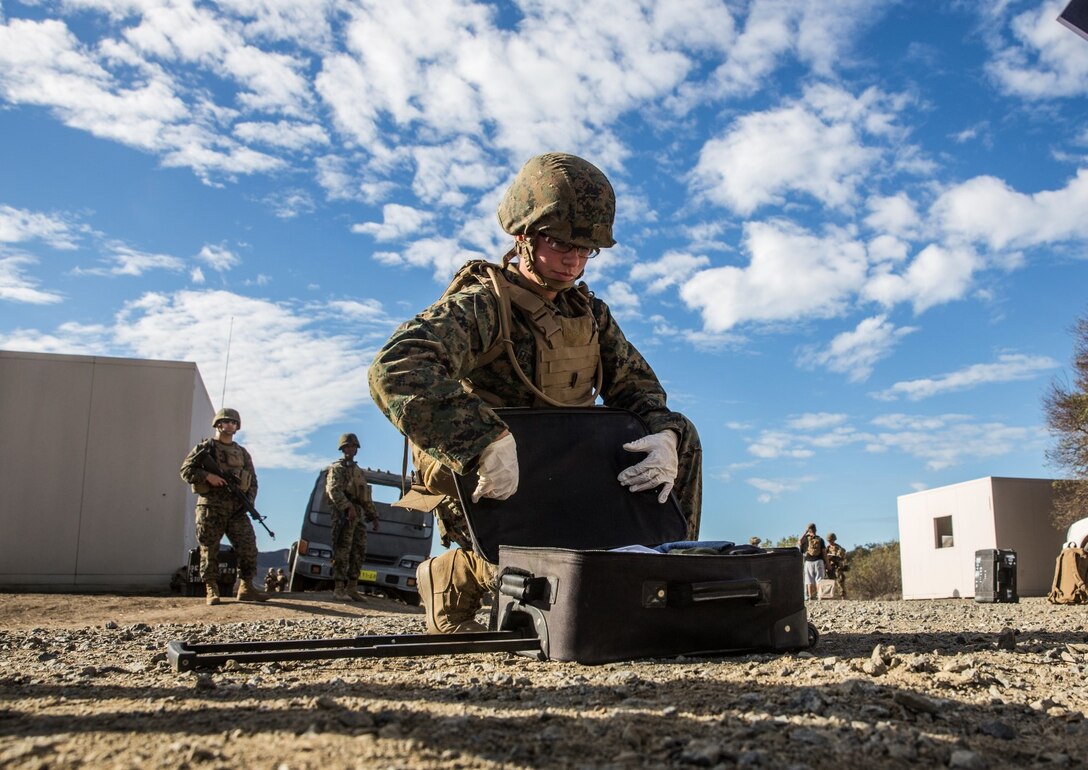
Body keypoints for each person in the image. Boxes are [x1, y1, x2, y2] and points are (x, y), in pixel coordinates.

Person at [368, 152, 702, 634]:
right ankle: (455, 574)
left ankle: (664, 571)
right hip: (498, 474)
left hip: (564, 466)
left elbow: (640, 391)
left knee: (680, 433)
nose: (575, 260)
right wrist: (482, 440)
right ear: (523, 235)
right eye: (562, 243)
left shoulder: (590, 314)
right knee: (543, 572)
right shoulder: (483, 305)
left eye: (588, 249)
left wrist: (665, 438)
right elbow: (395, 368)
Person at [179, 408, 268, 605]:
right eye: (226, 421)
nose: (230, 425)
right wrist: (207, 476)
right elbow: (185, 470)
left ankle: (246, 587)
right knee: (209, 549)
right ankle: (211, 589)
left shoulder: (242, 453)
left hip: (236, 510)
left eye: (234, 423)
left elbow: (252, 481)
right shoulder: (206, 448)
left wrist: (248, 503)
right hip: (211, 507)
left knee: (248, 547)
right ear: (218, 424)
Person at [325, 432, 379, 601]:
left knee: (359, 550)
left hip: (358, 514)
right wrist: (347, 507)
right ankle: (339, 588)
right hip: (343, 515)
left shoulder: (357, 471)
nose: (351, 449)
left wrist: (373, 516)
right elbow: (334, 490)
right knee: (342, 549)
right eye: (348, 446)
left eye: (353, 446)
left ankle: (352, 587)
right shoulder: (337, 468)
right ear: (342, 448)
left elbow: (364, 496)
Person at [797, 523, 826, 601]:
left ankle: (810, 597)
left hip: (808, 561)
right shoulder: (820, 539)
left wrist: (805, 532)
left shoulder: (805, 539)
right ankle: (820, 596)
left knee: (809, 580)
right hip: (819, 561)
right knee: (819, 579)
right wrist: (827, 563)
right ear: (815, 530)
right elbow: (824, 552)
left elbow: (799, 542)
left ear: (808, 530)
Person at [825, 532, 847, 599]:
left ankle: (843, 596)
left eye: (831, 540)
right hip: (830, 566)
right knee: (830, 581)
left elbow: (841, 557)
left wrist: (833, 557)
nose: (830, 542)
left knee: (840, 581)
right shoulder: (827, 548)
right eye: (829, 540)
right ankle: (829, 596)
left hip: (838, 567)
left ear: (834, 540)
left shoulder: (839, 548)